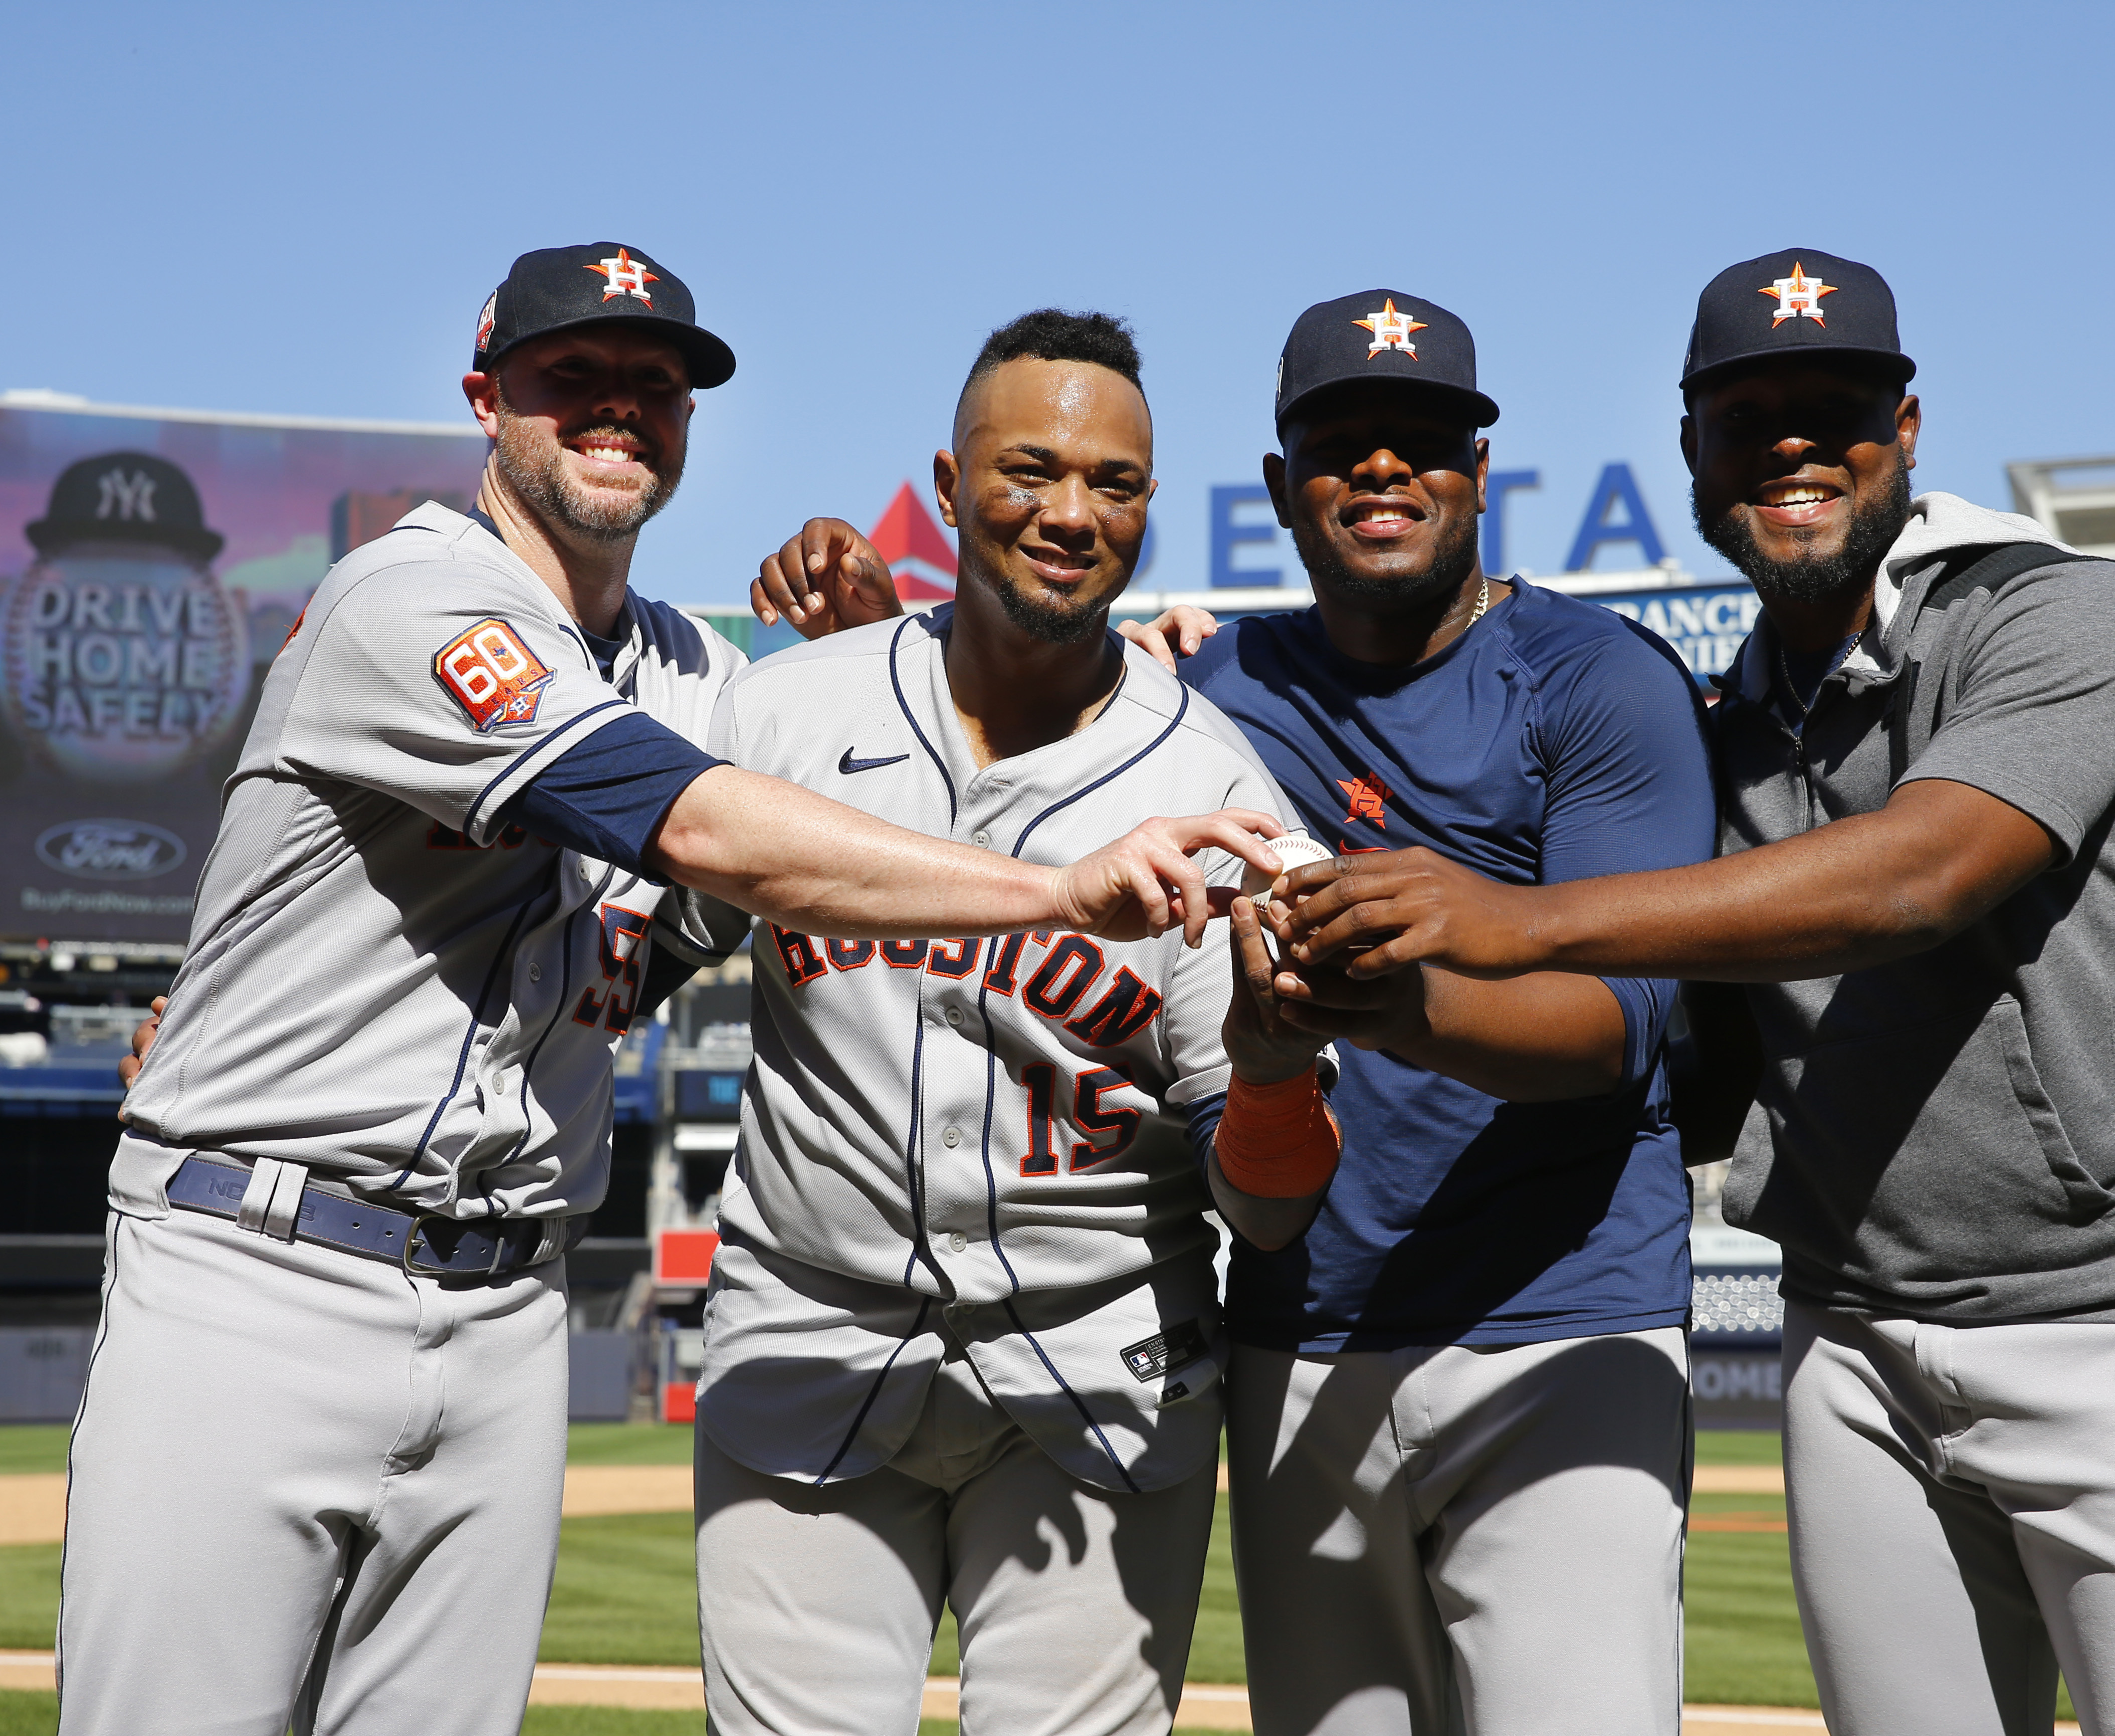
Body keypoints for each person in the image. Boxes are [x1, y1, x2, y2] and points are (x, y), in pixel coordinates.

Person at [67, 249, 1281, 1736]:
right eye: (571, 376)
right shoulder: (410, 596)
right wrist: (1056, 887)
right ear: (484, 399)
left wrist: (972, 644)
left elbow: (827, 777)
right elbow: (703, 827)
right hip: (266, 1259)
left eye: (655, 385)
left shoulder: (712, 682)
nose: (618, 409)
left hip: (512, 1299)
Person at [1278, 250, 2115, 1736]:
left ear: (1906, 430)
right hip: (1851, 1348)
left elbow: (1915, 879)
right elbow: (1691, 1055)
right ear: (1693, 449)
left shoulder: (2060, 616)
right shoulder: (1732, 717)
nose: (1793, 444)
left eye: (1835, 408)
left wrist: (1518, 925)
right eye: (1748, 416)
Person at [688, 309, 1338, 1736]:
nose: (1070, 511)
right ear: (946, 479)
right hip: (812, 1344)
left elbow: (1270, 1209)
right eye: (1030, 469)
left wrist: (1280, 1076)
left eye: (1114, 483)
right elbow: (610, 946)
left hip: (1097, 1375)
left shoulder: (1219, 796)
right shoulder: (785, 714)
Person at [1188, 291, 1716, 1735]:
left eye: (1421, 440)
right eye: (1341, 443)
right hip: (1298, 1331)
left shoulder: (1596, 678)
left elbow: (1621, 1035)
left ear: (1479, 475)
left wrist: (1393, 1005)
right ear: (1282, 487)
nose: (1382, 469)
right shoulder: (1212, 686)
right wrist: (884, 628)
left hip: (1560, 1323)